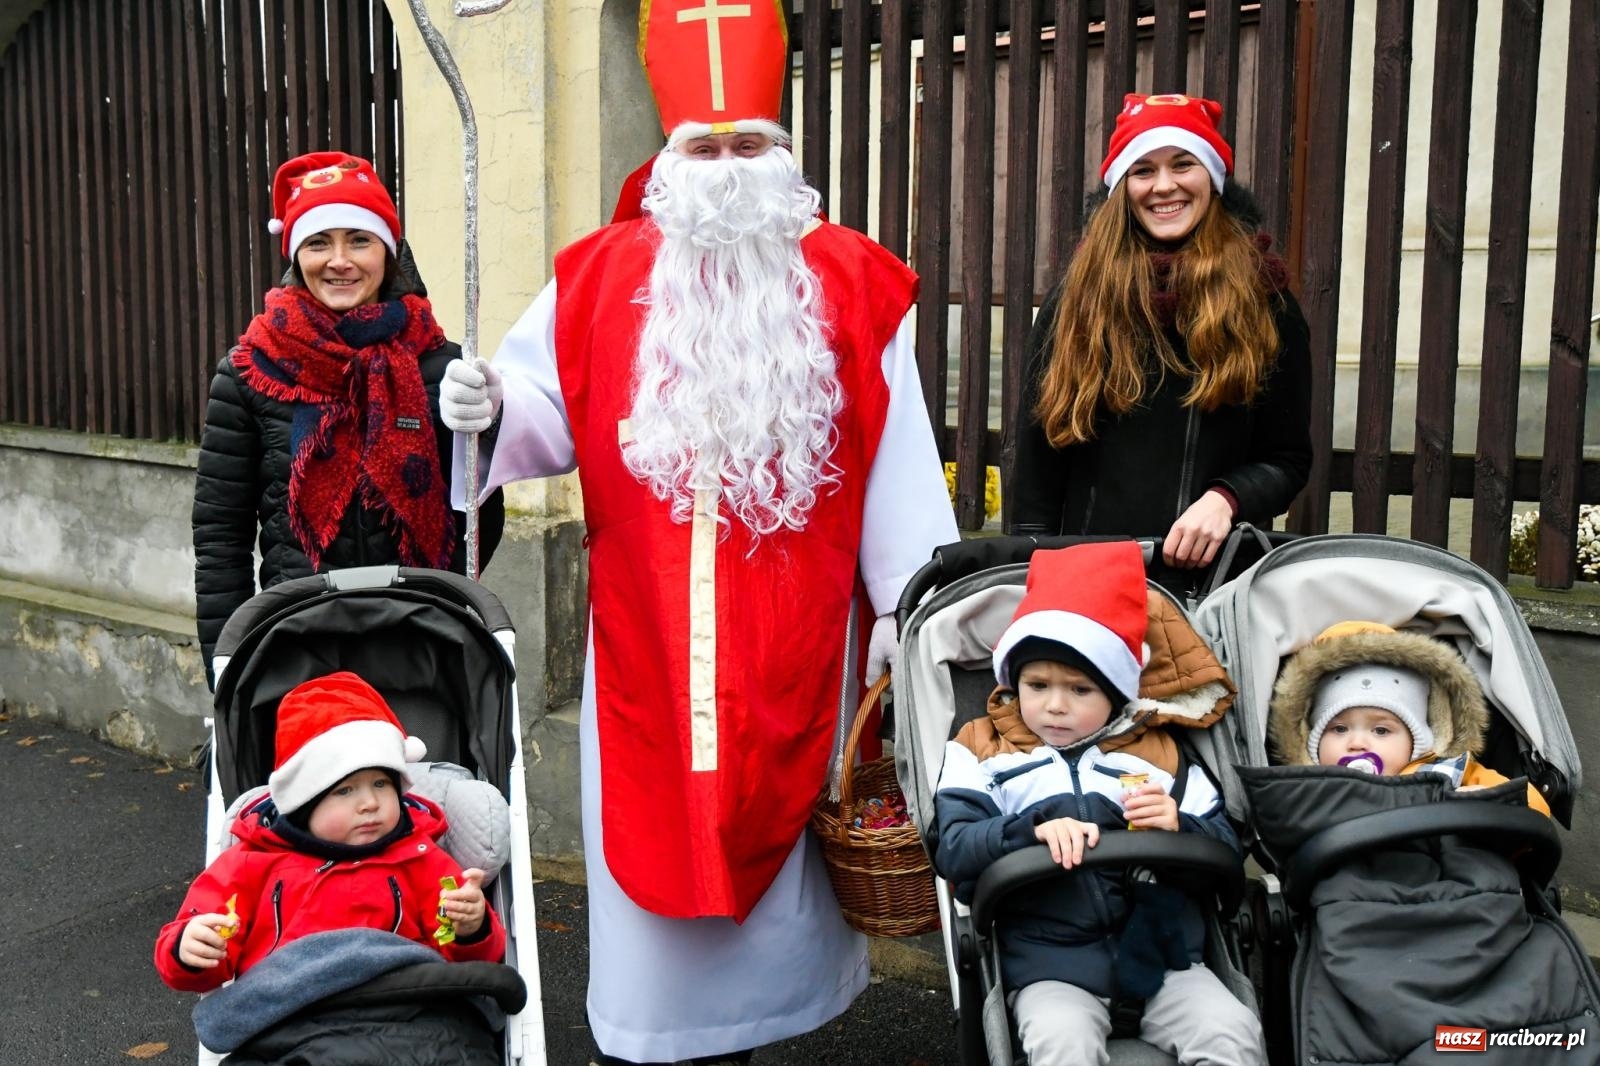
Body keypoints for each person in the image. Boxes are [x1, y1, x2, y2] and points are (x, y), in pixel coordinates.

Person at [437, 6, 956, 1062]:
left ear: (781, 155)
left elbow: (899, 455)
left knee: (778, 919)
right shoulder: (595, 275)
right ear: (670, 160)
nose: (725, 168)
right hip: (650, 656)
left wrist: (909, 608)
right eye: (703, 147)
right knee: (655, 928)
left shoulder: (853, 280)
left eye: (745, 146)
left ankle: (761, 1031)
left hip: (800, 652)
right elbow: (542, 409)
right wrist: (485, 402)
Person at [931, 542, 1265, 1066]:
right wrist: (1027, 830)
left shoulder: (1161, 755)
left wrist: (1179, 828)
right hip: (1049, 967)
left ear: (1115, 693)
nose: (1056, 704)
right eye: (1037, 685)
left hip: (1166, 961)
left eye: (1080, 689)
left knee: (1232, 1031)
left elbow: (1224, 852)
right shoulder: (981, 749)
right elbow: (952, 847)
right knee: (1062, 1045)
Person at [191, 151, 504, 684]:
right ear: (296, 257)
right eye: (319, 242)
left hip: (425, 640)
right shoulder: (251, 372)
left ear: (389, 252)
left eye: (359, 240)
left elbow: (478, 526)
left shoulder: (445, 368)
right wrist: (228, 664)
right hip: (299, 643)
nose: (340, 260)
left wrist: (488, 431)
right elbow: (221, 538)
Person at [1009, 93, 1312, 590]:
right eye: (1143, 170)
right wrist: (1027, 575)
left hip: (1218, 585)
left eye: (1183, 164)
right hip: (1093, 579)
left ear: (1211, 178)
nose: (1164, 185)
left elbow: (1288, 458)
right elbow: (1041, 459)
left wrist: (1227, 498)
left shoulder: (1266, 301)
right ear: (1123, 186)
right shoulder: (1077, 299)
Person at [153, 671, 506, 993]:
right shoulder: (250, 864)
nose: (369, 802)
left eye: (382, 783)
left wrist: (470, 927)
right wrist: (190, 948)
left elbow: (470, 959)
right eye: (345, 790)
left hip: (400, 1001)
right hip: (287, 1010)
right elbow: (199, 964)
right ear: (304, 802)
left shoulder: (421, 859)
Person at [1269, 620, 1552, 814]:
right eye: (1339, 729)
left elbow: (1533, 809)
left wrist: (1487, 805)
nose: (1356, 743)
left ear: (1418, 738)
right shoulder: (1308, 788)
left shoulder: (1450, 775)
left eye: (1380, 731)